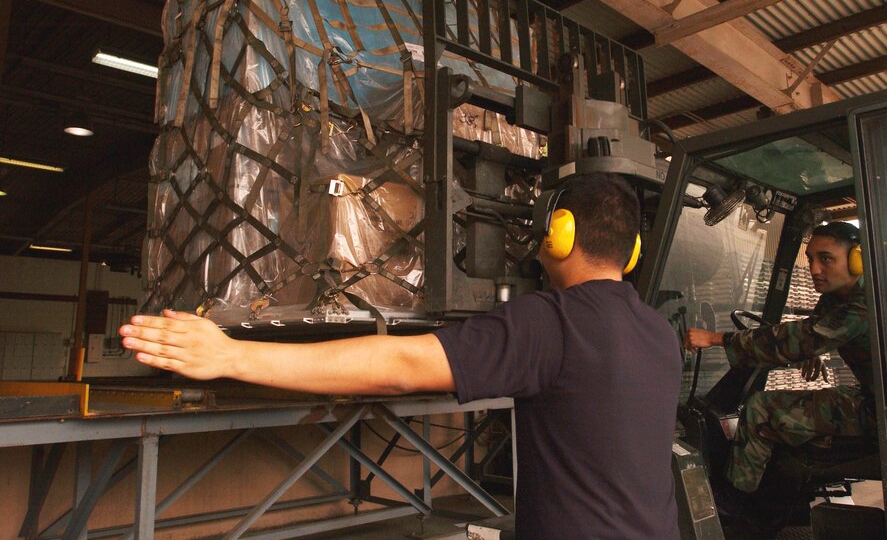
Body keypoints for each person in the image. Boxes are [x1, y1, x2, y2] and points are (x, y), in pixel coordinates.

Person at [120, 172, 681, 540]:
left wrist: (232, 355)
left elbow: (400, 367)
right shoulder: (661, 336)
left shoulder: (548, 322)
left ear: (558, 235)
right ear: (632, 251)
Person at [685, 221, 871, 496]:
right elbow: (815, 330)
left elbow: (801, 338)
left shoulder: (864, 303)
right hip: (872, 397)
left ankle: (735, 506)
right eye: (810, 259)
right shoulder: (838, 297)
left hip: (878, 411)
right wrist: (813, 351)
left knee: (761, 409)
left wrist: (716, 338)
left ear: (857, 260)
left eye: (826, 259)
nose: (814, 270)